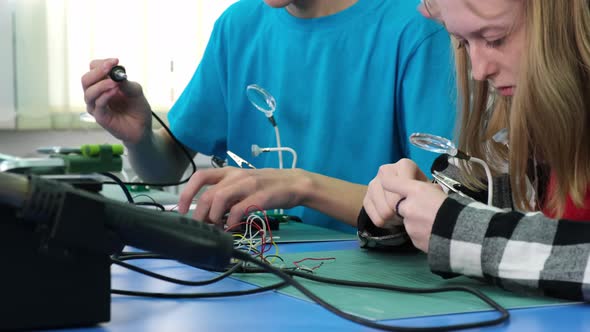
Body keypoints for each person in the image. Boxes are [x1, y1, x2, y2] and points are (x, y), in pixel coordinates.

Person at [82, 0, 456, 233]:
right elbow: (164, 170)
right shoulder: (238, 25)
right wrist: (139, 137)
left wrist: (301, 187)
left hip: (375, 286)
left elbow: (434, 207)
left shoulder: (418, 26)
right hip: (252, 268)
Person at [362, 0, 590, 301]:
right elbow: (473, 196)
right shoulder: (529, 126)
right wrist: (404, 209)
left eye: (495, 39)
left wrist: (458, 230)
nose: (479, 71)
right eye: (463, 44)